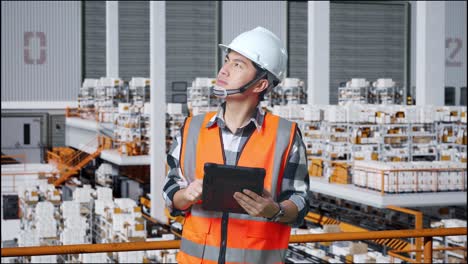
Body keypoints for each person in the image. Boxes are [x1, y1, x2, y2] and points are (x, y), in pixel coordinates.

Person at [163, 26, 310, 263]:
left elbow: (300, 203)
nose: (224, 70)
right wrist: (187, 195)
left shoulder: (286, 135)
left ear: (260, 84)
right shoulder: (191, 129)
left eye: (237, 65)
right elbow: (171, 196)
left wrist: (274, 210)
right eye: (227, 60)